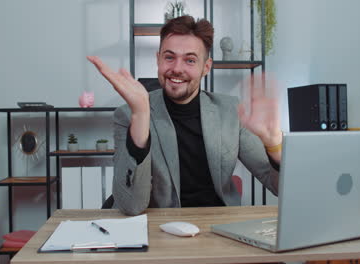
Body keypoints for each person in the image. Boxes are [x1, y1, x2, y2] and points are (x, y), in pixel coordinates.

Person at [87, 15, 282, 216]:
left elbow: (279, 187)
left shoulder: (230, 110)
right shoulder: (128, 115)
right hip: (157, 231)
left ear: (206, 67)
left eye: (190, 60)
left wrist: (274, 144)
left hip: (217, 227)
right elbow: (131, 205)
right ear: (158, 59)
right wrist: (141, 116)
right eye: (169, 57)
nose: (177, 69)